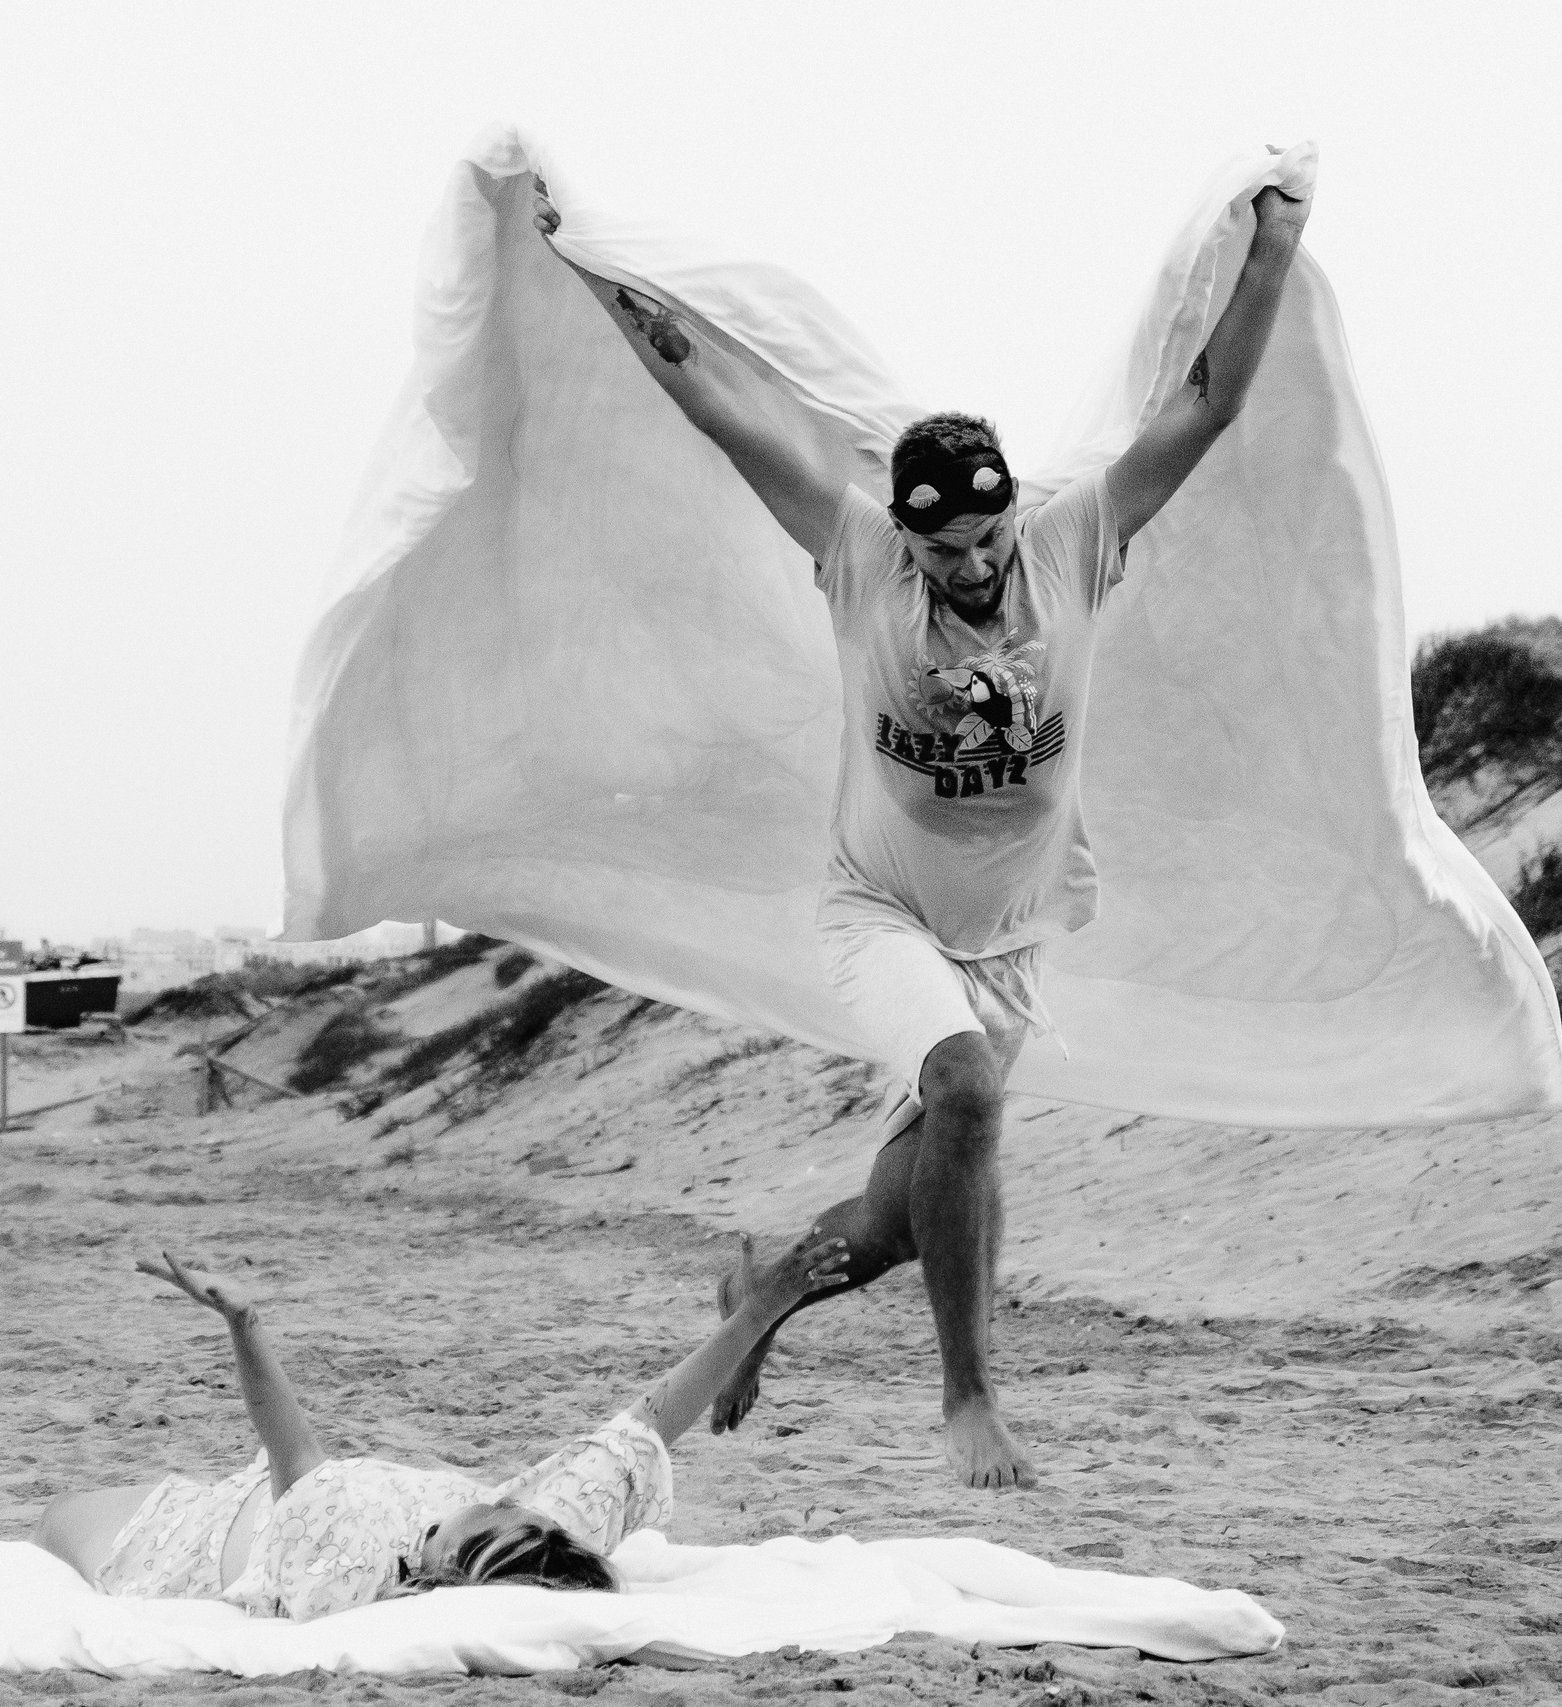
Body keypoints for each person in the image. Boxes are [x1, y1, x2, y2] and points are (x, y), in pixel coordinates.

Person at [533, 165, 1310, 1490]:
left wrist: (1276, 247)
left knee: (899, 1221)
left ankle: (762, 1290)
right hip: (878, 912)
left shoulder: (1074, 544)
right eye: (946, 549)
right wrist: (595, 267)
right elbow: (721, 406)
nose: (974, 567)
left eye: (989, 538)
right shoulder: (858, 562)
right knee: (962, 1089)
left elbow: (1207, 401)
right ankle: (967, 1401)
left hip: (1008, 942)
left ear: (1015, 510)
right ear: (908, 534)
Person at [30, 1229, 850, 1618]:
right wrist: (762, 1312)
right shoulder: (544, 1533)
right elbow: (648, 1421)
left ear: (441, 1566)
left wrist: (245, 1326)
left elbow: (295, 1452)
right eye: (508, 1507)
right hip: (262, 1503)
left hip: (192, 1538)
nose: (495, 1497)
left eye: (478, 1519)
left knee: (52, 1521)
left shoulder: (351, 1560)